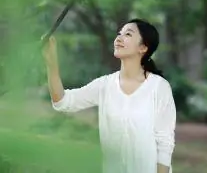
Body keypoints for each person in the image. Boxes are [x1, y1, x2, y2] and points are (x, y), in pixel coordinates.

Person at [43, 18, 176, 173]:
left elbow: (165, 142)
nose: (118, 38)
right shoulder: (104, 85)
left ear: (143, 47)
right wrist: (51, 63)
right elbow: (62, 102)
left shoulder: (159, 87)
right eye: (119, 33)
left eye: (128, 34)